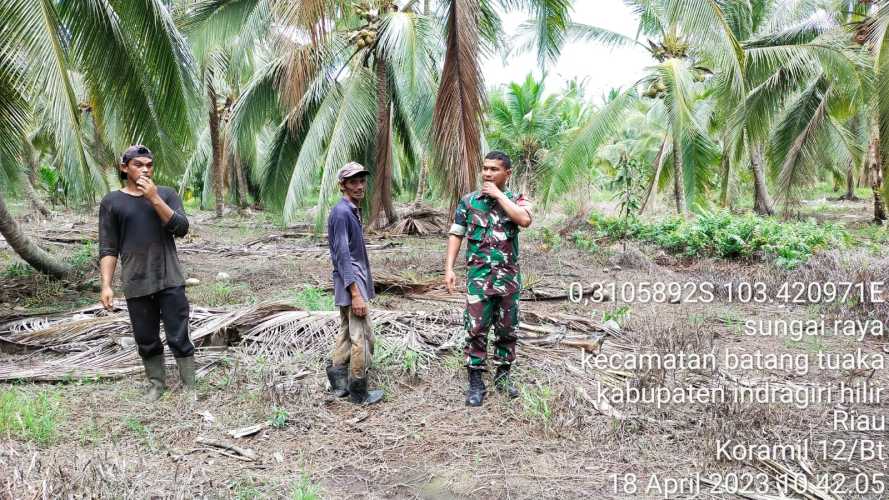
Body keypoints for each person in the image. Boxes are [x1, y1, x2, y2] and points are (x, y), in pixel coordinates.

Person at [98, 145, 194, 401]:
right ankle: (156, 385)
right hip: (136, 281)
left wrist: (153, 197)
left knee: (179, 334)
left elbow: (181, 228)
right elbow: (108, 247)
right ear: (124, 167)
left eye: (149, 165)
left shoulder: (166, 194)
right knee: (146, 338)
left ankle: (189, 388)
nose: (145, 170)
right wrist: (106, 285)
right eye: (138, 165)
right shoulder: (111, 202)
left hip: (169, 277)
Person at [444, 151, 533, 407]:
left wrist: (498, 196)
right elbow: (456, 234)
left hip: (508, 280)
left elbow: (524, 219)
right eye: (485, 168)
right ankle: (475, 382)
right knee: (475, 330)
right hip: (479, 279)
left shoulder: (517, 200)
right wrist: (449, 268)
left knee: (507, 330)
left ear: (507, 173)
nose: (487, 173)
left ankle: (503, 377)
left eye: (494, 169)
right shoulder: (469, 202)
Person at [325, 162, 384, 405]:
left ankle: (339, 385)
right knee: (361, 337)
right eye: (353, 182)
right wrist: (356, 293)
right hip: (352, 283)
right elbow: (342, 255)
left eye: (361, 181)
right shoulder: (341, 213)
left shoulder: (349, 210)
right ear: (343, 185)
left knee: (347, 333)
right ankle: (359, 391)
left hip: (348, 281)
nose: (359, 186)